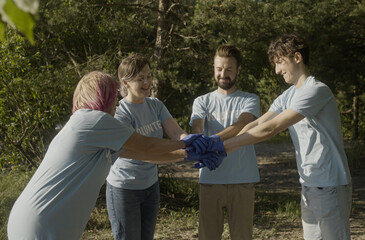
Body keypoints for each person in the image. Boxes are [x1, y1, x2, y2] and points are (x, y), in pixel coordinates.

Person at [7, 71, 209, 240]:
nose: (117, 103)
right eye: (114, 96)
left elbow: (144, 155)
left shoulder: (95, 131)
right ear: (103, 97)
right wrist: (186, 143)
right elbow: (146, 145)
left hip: (38, 219)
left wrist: (188, 155)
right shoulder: (94, 120)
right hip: (44, 222)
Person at [217, 33, 352, 239]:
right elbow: (259, 122)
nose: (277, 70)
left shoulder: (316, 90)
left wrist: (224, 149)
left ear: (297, 58)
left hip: (330, 185)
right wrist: (219, 143)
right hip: (309, 183)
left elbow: (272, 128)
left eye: (280, 63)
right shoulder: (289, 94)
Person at [105, 54, 193, 240]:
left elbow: (177, 133)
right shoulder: (120, 114)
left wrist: (192, 140)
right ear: (125, 83)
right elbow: (143, 152)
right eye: (140, 78)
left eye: (149, 76)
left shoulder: (156, 105)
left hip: (150, 186)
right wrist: (185, 152)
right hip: (124, 189)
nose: (147, 82)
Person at [190, 45, 260, 240]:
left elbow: (241, 125)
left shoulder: (250, 99)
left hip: (242, 180)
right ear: (213, 68)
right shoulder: (201, 101)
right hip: (210, 180)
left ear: (238, 70)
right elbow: (197, 128)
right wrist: (198, 139)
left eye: (229, 69)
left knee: (242, 236)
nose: (223, 74)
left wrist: (213, 141)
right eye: (219, 68)